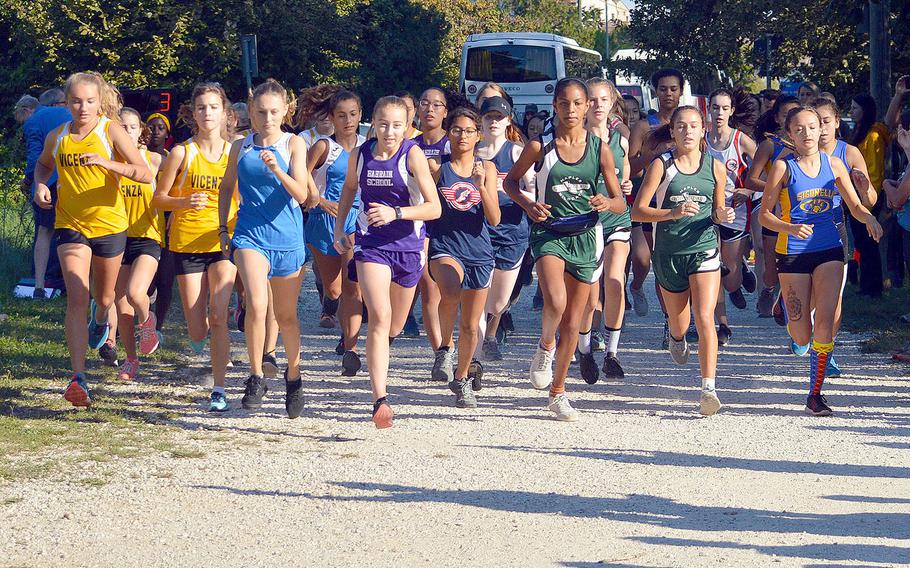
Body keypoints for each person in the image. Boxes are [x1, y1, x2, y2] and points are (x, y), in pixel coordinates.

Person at [504, 78, 626, 422]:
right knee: (555, 301)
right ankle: (545, 345)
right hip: (550, 233)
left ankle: (558, 393)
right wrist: (529, 205)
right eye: (563, 103)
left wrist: (606, 201)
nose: (570, 110)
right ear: (554, 107)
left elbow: (620, 202)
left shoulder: (600, 148)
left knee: (574, 320)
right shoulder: (539, 147)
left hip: (586, 235)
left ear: (587, 106)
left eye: (577, 103)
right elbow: (509, 182)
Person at [33, 71, 153, 407]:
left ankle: (101, 317)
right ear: (66, 103)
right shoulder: (58, 136)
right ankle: (78, 378)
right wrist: (41, 185)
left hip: (110, 226)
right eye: (76, 101)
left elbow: (143, 173)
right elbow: (43, 167)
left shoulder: (109, 130)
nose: (82, 107)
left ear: (99, 102)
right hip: (71, 224)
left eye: (89, 101)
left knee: (104, 298)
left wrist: (109, 164)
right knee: (77, 294)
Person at [761, 105, 881, 416]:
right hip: (793, 253)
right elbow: (765, 216)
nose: (807, 134)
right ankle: (788, 306)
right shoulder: (783, 168)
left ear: (822, 130)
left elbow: (854, 205)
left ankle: (815, 393)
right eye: (799, 129)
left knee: (825, 322)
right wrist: (789, 227)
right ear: (790, 134)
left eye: (812, 127)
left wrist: (869, 219)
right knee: (801, 334)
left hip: (830, 248)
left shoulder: (836, 164)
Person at [333, 96, 441, 429]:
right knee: (379, 317)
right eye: (383, 124)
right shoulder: (361, 155)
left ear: (408, 125)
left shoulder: (412, 155)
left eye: (396, 125)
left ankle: (384, 349)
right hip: (372, 245)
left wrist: (397, 212)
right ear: (373, 124)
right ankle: (380, 398)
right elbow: (350, 189)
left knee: (394, 324)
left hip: (408, 246)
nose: (389, 132)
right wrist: (341, 226)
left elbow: (434, 208)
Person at [633, 105, 735, 416]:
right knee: (680, 323)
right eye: (682, 126)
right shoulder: (661, 166)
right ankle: (676, 337)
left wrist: (724, 214)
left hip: (703, 249)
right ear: (673, 131)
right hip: (668, 253)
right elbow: (637, 212)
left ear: (703, 130)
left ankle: (708, 387)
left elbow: (718, 211)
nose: (688, 131)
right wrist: (672, 214)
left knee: (705, 316)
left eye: (693, 126)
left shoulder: (715, 167)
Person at [218, 79, 311, 418]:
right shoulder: (240, 146)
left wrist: (277, 169)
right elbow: (227, 187)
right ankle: (256, 375)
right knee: (256, 303)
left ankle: (295, 376)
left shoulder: (293, 144)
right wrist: (222, 228)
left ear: (286, 110)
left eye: (274, 111)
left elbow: (302, 195)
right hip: (249, 235)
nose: (268, 118)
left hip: (287, 239)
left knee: (285, 316)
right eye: (261, 112)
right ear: (251, 112)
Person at [151, 82, 237, 412]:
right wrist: (184, 201)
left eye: (213, 107)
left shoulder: (235, 154)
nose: (207, 113)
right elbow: (159, 198)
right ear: (193, 113)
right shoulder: (181, 153)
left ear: (225, 113)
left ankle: (219, 389)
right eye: (201, 107)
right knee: (196, 326)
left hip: (223, 241)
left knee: (217, 316)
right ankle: (207, 341)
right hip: (187, 243)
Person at [427, 107, 500, 407]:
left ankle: (462, 378)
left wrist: (481, 186)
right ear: (448, 132)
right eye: (456, 129)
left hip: (479, 252)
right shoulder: (436, 167)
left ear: (477, 135)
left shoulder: (488, 168)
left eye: (469, 131)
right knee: (450, 288)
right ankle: (445, 347)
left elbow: (494, 219)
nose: (462, 136)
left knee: (471, 325)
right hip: (444, 245)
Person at [305, 87, 367, 376]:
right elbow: (300, 176)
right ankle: (331, 307)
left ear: (360, 115)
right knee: (335, 288)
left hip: (357, 221)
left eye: (353, 114)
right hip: (324, 220)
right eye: (341, 115)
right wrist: (320, 200)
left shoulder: (369, 146)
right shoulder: (323, 148)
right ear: (331, 117)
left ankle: (350, 344)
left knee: (354, 286)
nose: (348, 120)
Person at [812, 97, 876, 374]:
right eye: (817, 123)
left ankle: (827, 350)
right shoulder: (795, 154)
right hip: (799, 232)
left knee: (833, 299)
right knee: (807, 300)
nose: (822, 129)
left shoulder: (849, 153)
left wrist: (863, 188)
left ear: (837, 122)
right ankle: (797, 322)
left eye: (827, 122)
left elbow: (870, 200)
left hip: (837, 230)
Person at [578, 77, 633, 382]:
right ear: (585, 104)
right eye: (593, 100)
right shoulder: (576, 140)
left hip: (616, 220)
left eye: (603, 99)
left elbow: (624, 182)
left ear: (612, 102)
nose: (598, 105)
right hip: (585, 221)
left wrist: (625, 185)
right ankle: (584, 350)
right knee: (589, 294)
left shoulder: (620, 140)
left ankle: (612, 353)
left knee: (614, 281)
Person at [474, 96, 534, 362]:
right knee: (477, 293)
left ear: (508, 120)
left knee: (498, 301)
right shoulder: (471, 152)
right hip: (478, 231)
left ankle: (490, 332)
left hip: (512, 230)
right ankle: (476, 348)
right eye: (489, 117)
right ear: (481, 121)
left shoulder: (516, 153)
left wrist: (507, 190)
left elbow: (533, 193)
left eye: (499, 117)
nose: (494, 121)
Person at [628, 69, 685, 329]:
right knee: (642, 259)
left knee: (671, 264)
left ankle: (671, 321)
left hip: (680, 200)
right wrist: (655, 155)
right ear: (654, 92)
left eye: (673, 88)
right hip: (647, 199)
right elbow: (631, 167)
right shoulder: (643, 125)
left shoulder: (689, 123)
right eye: (663, 88)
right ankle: (637, 285)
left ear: (681, 91)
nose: (668, 93)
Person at [112, 107, 164, 381]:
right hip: (117, 235)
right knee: (121, 305)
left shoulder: (154, 160)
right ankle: (131, 360)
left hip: (147, 235)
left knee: (135, 293)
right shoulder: (108, 162)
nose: (126, 132)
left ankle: (147, 322)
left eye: (131, 127)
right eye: (121, 127)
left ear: (141, 130)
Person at [705, 89, 758, 345]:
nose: (719, 113)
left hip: (735, 212)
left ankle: (740, 274)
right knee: (712, 270)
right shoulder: (701, 139)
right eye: (715, 107)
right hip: (706, 213)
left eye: (725, 108)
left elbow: (766, 174)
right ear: (708, 109)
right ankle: (723, 325)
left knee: (730, 278)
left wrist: (747, 190)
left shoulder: (742, 141)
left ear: (731, 111)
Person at [747, 95, 800, 318]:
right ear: (778, 118)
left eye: (796, 114)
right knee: (771, 267)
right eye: (786, 114)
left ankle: (791, 304)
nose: (792, 119)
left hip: (800, 215)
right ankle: (768, 290)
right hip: (775, 212)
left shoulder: (808, 146)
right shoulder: (769, 145)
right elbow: (751, 180)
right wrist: (775, 188)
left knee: (797, 264)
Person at [413, 87, 450, 372]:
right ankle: (440, 351)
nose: (430, 109)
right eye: (424, 103)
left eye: (437, 104)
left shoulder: (455, 141)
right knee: (429, 288)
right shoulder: (408, 145)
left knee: (452, 292)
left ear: (445, 112)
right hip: (420, 221)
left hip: (452, 223)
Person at [23, 88, 70, 299]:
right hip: (72, 180)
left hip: (48, 182)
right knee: (75, 233)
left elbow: (35, 158)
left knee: (44, 231)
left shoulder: (34, 120)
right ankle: (78, 284)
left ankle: (39, 285)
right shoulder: (72, 115)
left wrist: (29, 180)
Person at [848, 94, 889, 297]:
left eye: (855, 108)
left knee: (869, 241)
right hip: (858, 193)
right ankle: (867, 285)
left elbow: (874, 171)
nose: (851, 111)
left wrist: (867, 200)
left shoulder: (873, 135)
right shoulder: (859, 131)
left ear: (865, 110)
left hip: (869, 195)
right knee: (862, 242)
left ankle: (873, 288)